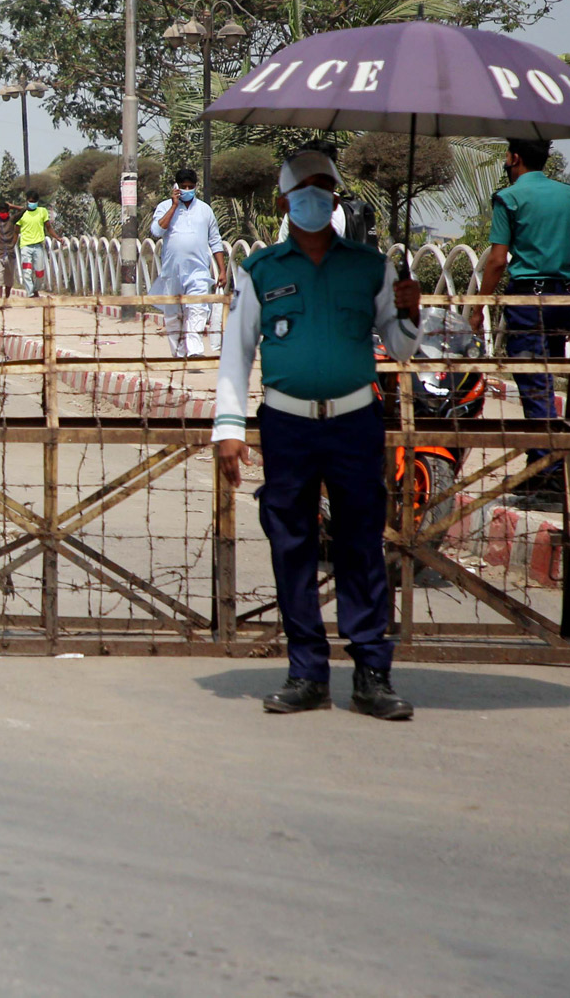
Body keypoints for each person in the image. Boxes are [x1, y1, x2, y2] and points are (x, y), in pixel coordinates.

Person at [212, 148, 420, 721]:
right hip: (286, 423)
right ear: (284, 200)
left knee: (360, 543)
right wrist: (228, 427)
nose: (316, 196)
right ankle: (306, 671)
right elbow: (237, 352)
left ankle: (373, 673)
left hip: (355, 421)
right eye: (305, 187)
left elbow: (400, 349)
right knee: (292, 545)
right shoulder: (262, 271)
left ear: (336, 197)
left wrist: (409, 310)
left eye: (325, 187)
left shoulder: (369, 265)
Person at [472, 137, 570, 508]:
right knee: (548, 380)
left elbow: (496, 260)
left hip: (527, 299)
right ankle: (536, 467)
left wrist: (478, 307)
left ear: (514, 158)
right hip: (562, 295)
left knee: (533, 384)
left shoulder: (508, 198)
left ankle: (548, 475)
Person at [150, 168, 229, 358]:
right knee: (173, 315)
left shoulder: (204, 210)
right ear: (176, 187)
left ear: (196, 187)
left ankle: (194, 351)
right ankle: (179, 354)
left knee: (197, 308)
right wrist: (174, 206)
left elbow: (215, 241)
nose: (187, 189)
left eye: (190, 187)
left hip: (198, 271)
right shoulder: (164, 207)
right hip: (172, 271)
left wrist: (222, 270)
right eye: (183, 186)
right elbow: (156, 231)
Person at [16, 186, 63, 298]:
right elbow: (15, 232)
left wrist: (58, 238)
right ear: (27, 201)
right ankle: (30, 294)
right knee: (27, 272)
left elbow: (49, 228)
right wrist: (11, 246)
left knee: (40, 273)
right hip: (26, 246)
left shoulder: (42, 212)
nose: (32, 203)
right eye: (30, 201)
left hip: (38, 246)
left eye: (34, 201)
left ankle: (35, 289)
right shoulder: (21, 214)